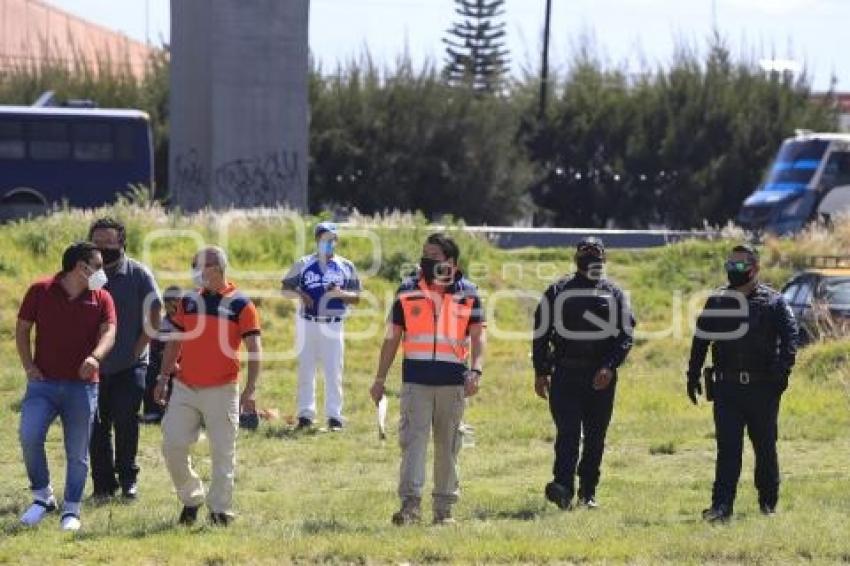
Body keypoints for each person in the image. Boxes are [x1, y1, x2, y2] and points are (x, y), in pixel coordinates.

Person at [369, 233, 485, 525]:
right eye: (424, 255)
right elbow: (392, 337)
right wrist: (379, 378)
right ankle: (410, 508)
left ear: (451, 262)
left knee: (448, 447)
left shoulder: (468, 293)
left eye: (433, 256)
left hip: (453, 383)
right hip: (415, 382)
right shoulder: (407, 290)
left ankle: (443, 511)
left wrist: (476, 369)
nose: (426, 260)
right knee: (413, 444)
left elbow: (478, 335)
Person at [687, 244, 797, 522]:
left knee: (765, 447)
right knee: (728, 450)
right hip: (727, 389)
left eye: (739, 265)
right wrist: (692, 374)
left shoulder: (774, 302)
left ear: (755, 268)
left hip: (763, 388)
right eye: (730, 265)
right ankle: (721, 506)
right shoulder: (718, 301)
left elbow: (790, 339)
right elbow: (701, 340)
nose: (732, 270)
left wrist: (781, 375)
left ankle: (768, 503)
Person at [155, 246, 262, 527]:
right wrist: (163, 378)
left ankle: (220, 511)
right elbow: (174, 342)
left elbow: (254, 349)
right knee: (172, 445)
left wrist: (250, 390)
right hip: (185, 387)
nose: (194, 271)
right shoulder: (188, 301)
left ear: (215, 267)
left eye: (197, 265)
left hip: (223, 389)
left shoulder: (241, 304)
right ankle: (192, 498)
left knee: (223, 451)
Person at [16, 242, 117, 531]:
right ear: (80, 266)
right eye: (97, 266)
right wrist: (28, 366)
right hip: (42, 385)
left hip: (83, 388)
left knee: (77, 452)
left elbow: (110, 331)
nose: (102, 271)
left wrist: (95, 357)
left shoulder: (102, 297)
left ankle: (71, 509)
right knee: (29, 436)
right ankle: (42, 497)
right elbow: (23, 329)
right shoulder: (40, 290)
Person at [532, 236, 635, 510]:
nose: (590, 257)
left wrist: (609, 367)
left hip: (600, 378)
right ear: (575, 257)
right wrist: (540, 371)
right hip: (565, 374)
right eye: (585, 253)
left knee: (595, 437)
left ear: (604, 259)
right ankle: (563, 487)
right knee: (567, 433)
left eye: (595, 253)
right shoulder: (557, 290)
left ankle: (588, 491)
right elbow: (541, 333)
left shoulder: (614, 294)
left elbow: (625, 336)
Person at [88, 217, 162, 500]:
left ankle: (128, 479)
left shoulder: (139, 273)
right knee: (96, 425)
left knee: (126, 421)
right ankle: (103, 485)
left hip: (130, 364)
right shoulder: (88, 275)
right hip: (94, 365)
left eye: (109, 243)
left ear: (121, 243)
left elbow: (156, 313)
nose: (103, 248)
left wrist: (140, 345)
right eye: (97, 243)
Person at [281, 222, 360, 431]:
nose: (328, 242)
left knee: (333, 371)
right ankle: (306, 415)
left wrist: (340, 294)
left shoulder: (346, 265)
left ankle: (335, 417)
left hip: (333, 325)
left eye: (331, 238)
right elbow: (285, 289)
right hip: (308, 322)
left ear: (337, 240)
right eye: (323, 238)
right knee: (306, 369)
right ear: (316, 240)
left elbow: (356, 297)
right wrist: (300, 294)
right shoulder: (304, 263)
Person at [141, 286, 183, 424]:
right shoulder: (161, 325)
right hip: (162, 362)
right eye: (169, 302)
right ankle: (153, 411)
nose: (173, 306)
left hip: (182, 362)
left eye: (176, 302)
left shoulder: (188, 323)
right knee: (151, 370)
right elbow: (156, 348)